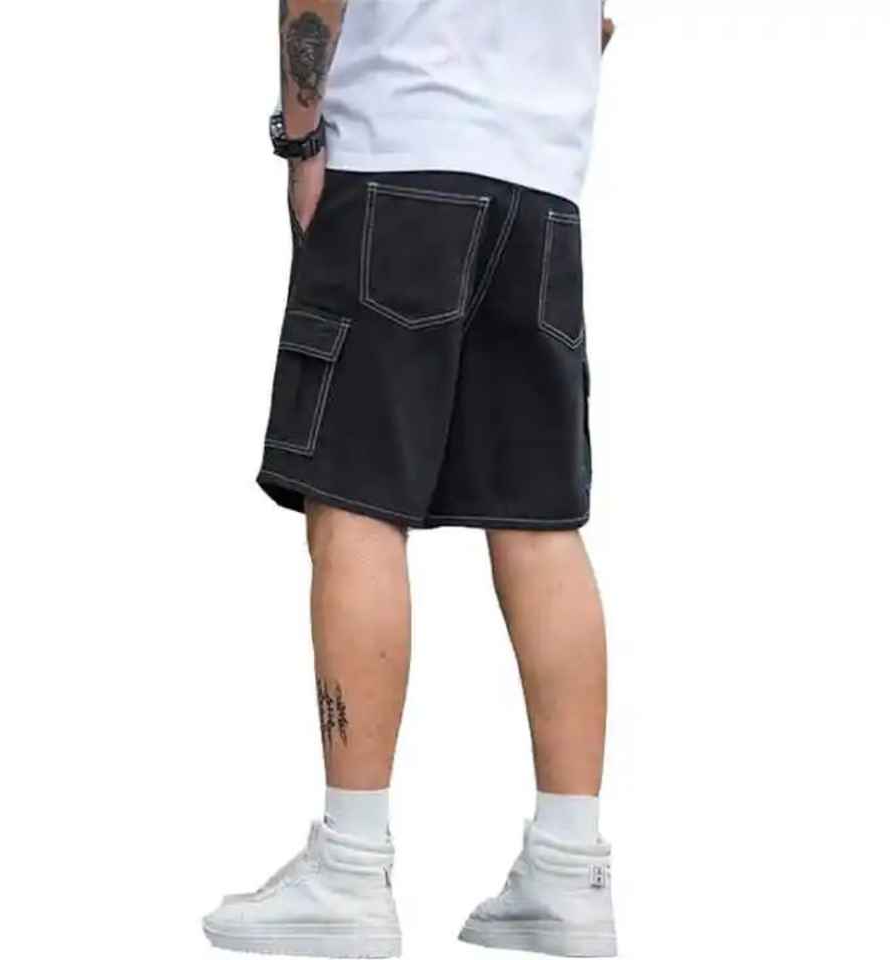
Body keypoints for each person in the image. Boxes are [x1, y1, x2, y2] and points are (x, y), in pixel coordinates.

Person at [204, 2, 618, 956]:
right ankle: (570, 873)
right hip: (542, 184)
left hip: (396, 158)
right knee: (538, 521)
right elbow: (598, 26)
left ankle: (350, 871)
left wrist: (300, 139)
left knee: (353, 497)